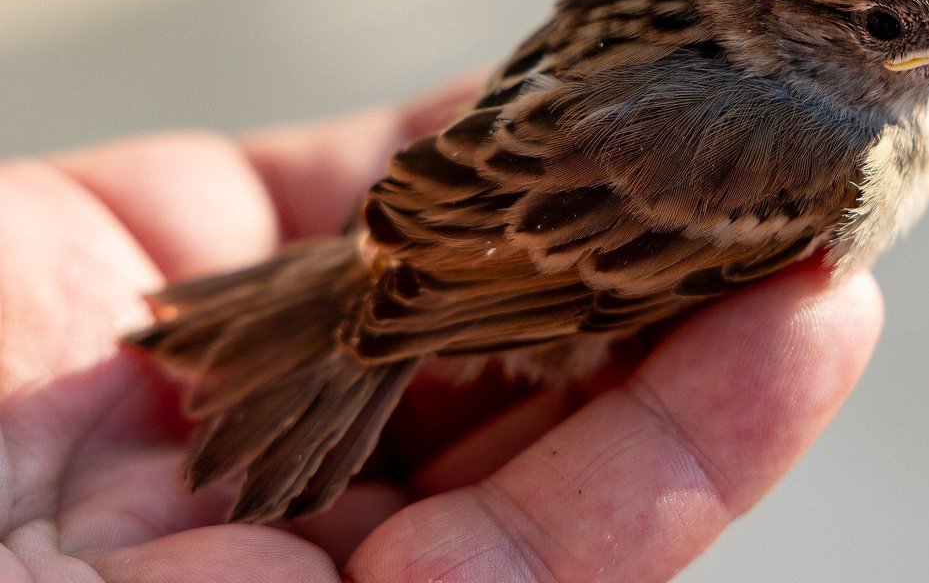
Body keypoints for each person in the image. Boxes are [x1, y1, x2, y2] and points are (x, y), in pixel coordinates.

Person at [0, 78, 882, 582]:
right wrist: (392, 310)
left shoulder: (657, 3)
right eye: (883, 27)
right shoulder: (816, 158)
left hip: (439, 229)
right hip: (489, 284)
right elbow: (575, 277)